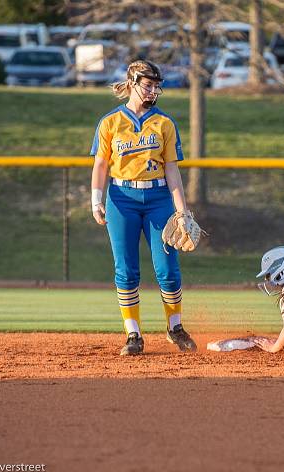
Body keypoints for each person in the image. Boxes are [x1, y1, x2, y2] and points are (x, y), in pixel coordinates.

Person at [90, 60, 197, 356]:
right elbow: (100, 164)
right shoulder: (110, 122)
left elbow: (172, 170)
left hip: (159, 198)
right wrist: (96, 200)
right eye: (147, 85)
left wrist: (182, 211)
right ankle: (133, 335)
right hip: (121, 199)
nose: (152, 91)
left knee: (168, 269)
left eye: (156, 86)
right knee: (126, 270)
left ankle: (174, 327)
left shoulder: (163, 123)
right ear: (132, 82)